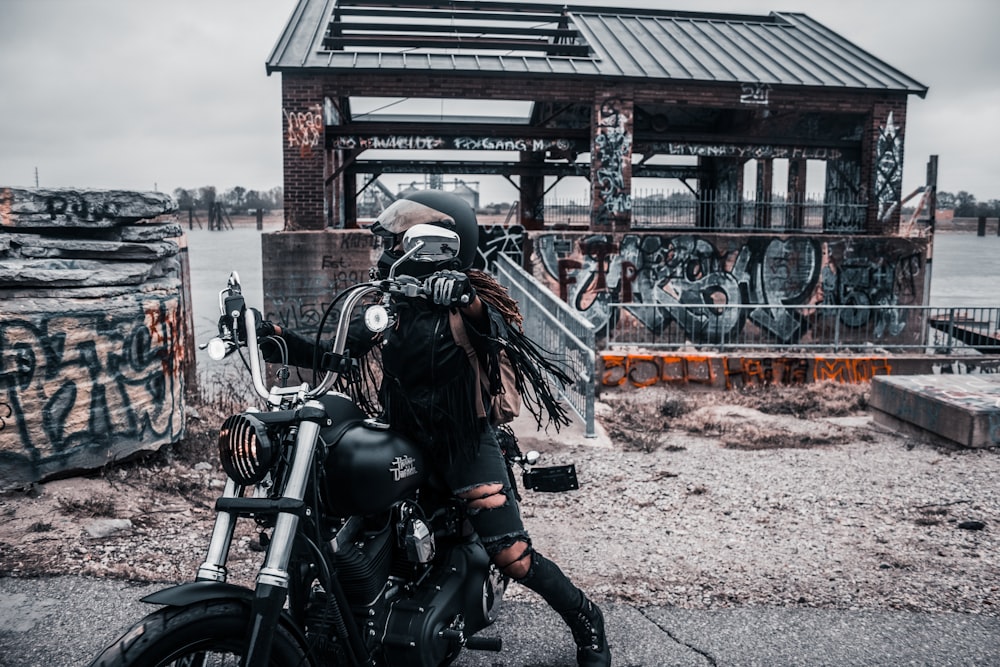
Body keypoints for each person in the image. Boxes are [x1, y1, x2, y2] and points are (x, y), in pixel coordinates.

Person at [257, 190, 611, 666]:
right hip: (402, 435)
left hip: (464, 442)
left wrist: (463, 296)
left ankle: (588, 622)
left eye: (399, 244)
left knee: (512, 555)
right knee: (348, 522)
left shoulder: (472, 302)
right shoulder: (391, 308)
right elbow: (336, 356)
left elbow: (496, 331)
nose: (386, 255)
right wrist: (268, 337)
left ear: (439, 245)